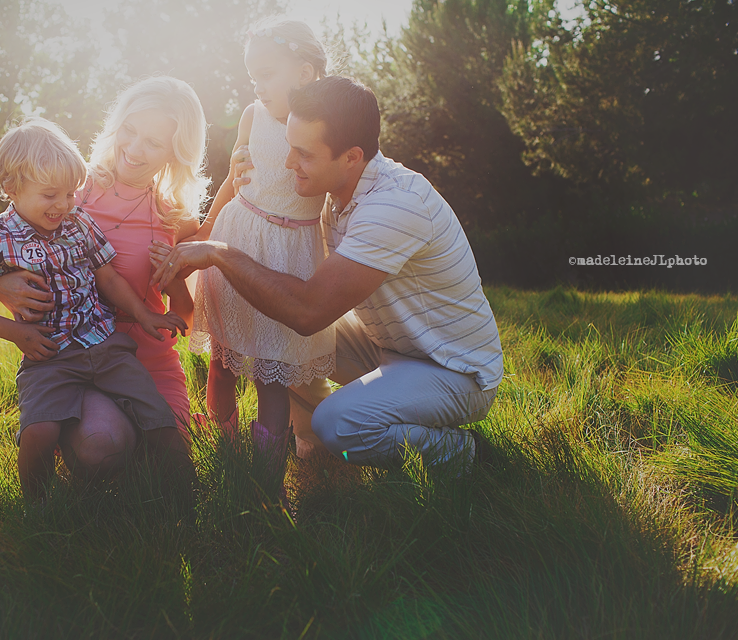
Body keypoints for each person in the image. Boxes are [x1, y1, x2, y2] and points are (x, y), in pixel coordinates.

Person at [151, 76, 503, 473]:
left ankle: (459, 451)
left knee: (338, 424)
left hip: (451, 369)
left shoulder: (394, 206)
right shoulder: (335, 192)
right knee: (282, 348)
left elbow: (308, 313)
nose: (288, 163)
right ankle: (315, 450)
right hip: (385, 345)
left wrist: (220, 254)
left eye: (303, 154)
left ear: (351, 157)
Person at [0, 77, 209, 487]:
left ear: (175, 152)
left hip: (149, 358)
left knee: (170, 458)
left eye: (153, 143)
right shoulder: (72, 189)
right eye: (130, 130)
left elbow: (185, 315)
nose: (134, 148)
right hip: (77, 356)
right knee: (103, 448)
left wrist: (174, 277)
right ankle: (72, 431)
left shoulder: (174, 215)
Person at [0, 117, 187, 502]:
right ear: (11, 188)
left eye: (69, 193)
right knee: (39, 431)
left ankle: (183, 496)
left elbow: (108, 277)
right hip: (48, 354)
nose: (63, 204)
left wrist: (146, 316)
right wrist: (14, 333)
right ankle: (39, 506)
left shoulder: (78, 221)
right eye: (50, 195)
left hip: (105, 345)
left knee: (157, 416)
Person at [188, 18, 333, 496]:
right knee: (223, 360)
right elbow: (236, 177)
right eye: (253, 76)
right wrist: (206, 235)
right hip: (238, 237)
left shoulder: (326, 127)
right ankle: (225, 453)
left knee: (274, 374)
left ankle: (265, 479)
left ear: (306, 73)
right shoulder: (252, 115)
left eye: (267, 73)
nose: (258, 85)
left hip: (289, 256)